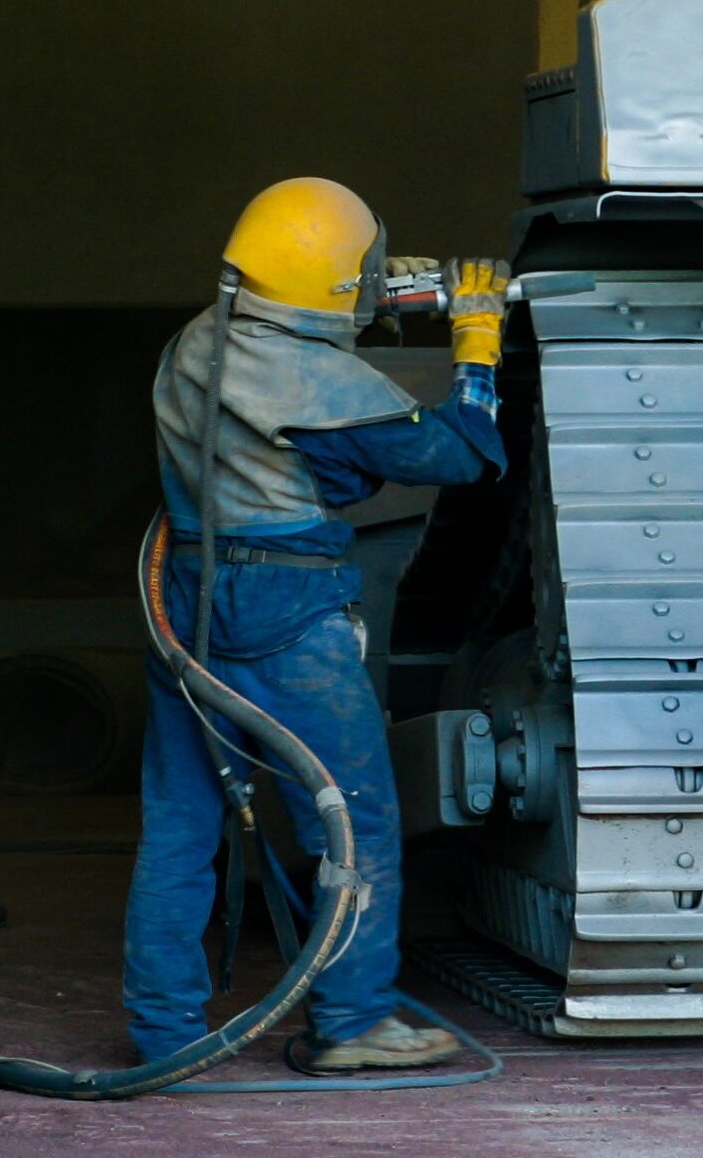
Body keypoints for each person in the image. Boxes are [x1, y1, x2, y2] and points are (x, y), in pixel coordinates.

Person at [125, 176, 506, 1073]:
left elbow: (303, 446)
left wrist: (365, 303)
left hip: (183, 602)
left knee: (181, 826)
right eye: (365, 272)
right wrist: (476, 341)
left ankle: (164, 1035)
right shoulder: (325, 384)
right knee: (355, 820)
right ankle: (352, 1022)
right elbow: (461, 453)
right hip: (288, 614)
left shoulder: (192, 346)